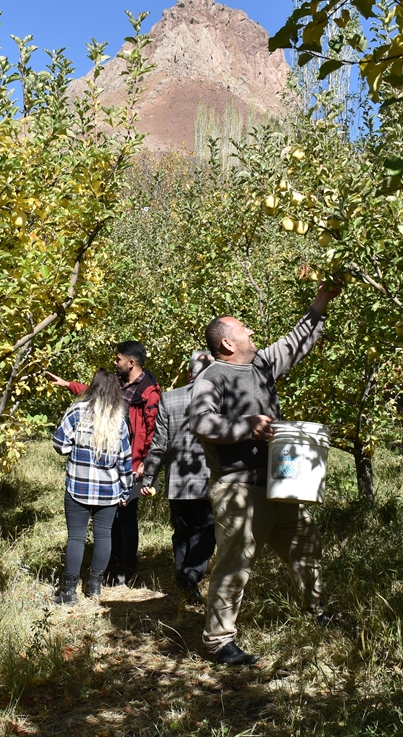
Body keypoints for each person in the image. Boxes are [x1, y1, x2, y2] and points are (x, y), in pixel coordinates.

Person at [189, 280, 343, 665]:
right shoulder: (212, 379)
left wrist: (321, 301)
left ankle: (318, 612)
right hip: (239, 489)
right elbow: (203, 424)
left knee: (306, 547)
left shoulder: (260, 365)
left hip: (281, 480)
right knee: (234, 565)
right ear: (227, 342)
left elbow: (295, 342)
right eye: (244, 329)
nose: (252, 332)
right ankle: (219, 642)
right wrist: (247, 425)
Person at [45, 341, 161, 585]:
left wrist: (146, 462)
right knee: (111, 523)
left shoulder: (149, 392)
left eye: (118, 359)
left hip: (133, 462)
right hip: (113, 460)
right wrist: (69, 385)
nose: (115, 363)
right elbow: (99, 393)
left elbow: (154, 429)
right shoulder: (119, 385)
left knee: (126, 518)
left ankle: (127, 567)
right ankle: (109, 566)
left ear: (131, 362)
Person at [51, 369, 134, 604]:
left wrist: (72, 451)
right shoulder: (118, 417)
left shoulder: (78, 411)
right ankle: (94, 587)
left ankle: (68, 593)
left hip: (78, 485)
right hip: (108, 490)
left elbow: (59, 442)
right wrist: (126, 490)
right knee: (103, 536)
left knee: (76, 538)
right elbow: (125, 460)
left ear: (93, 387)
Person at [141, 350, 217, 602]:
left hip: (178, 480)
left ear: (189, 373)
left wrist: (149, 475)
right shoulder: (221, 398)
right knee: (207, 531)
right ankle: (191, 575)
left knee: (182, 532)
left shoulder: (169, 399)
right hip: (208, 478)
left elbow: (159, 443)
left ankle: (184, 581)